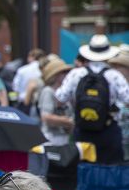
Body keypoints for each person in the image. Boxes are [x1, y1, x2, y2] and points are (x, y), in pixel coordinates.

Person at [55, 34, 129, 164]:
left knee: (83, 170)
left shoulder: (76, 74)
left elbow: (60, 98)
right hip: (108, 130)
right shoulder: (114, 75)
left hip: (82, 129)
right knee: (110, 171)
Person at [37, 58, 73, 146]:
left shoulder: (65, 92)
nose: (67, 75)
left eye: (67, 72)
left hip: (64, 138)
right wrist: (67, 121)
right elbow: (45, 117)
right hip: (50, 138)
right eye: (64, 72)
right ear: (56, 75)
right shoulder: (48, 91)